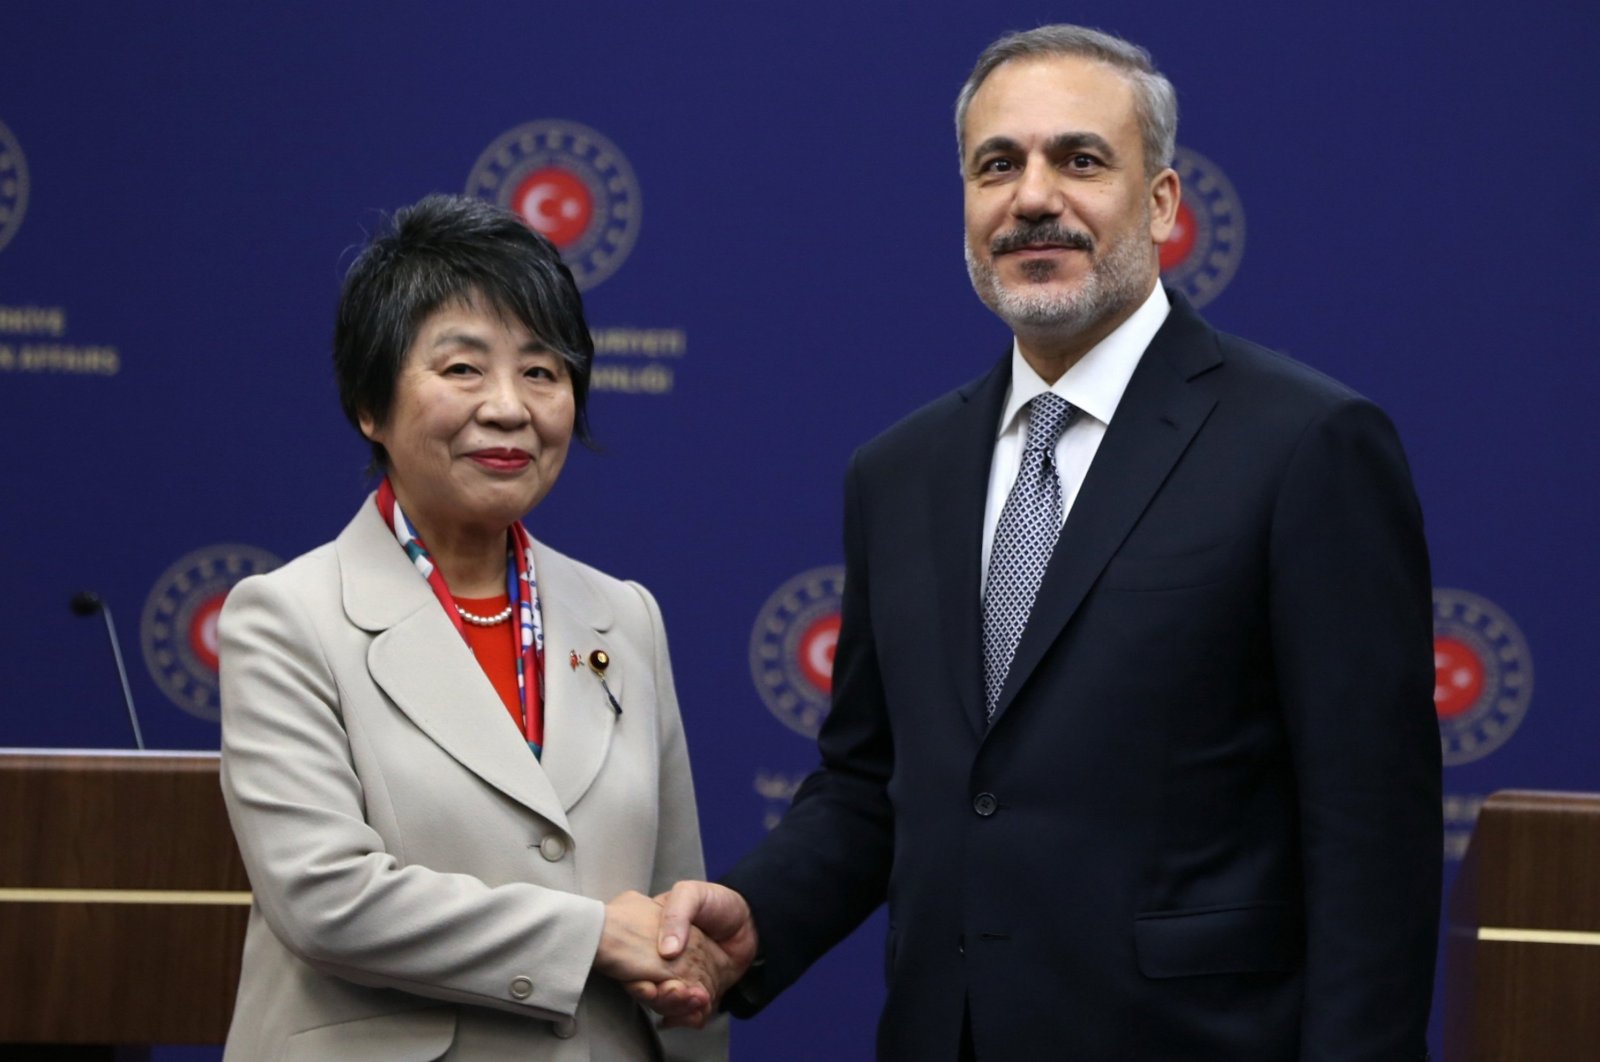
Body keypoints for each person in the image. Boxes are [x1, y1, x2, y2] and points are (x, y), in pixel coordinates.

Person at [651, 24, 1442, 1061]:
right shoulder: (898, 472)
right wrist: (758, 914)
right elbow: (870, 785)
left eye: (1078, 159)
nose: (1031, 197)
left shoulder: (1305, 446)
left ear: (1160, 203)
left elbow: (1370, 841)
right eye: (996, 166)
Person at [218, 194, 731, 1060]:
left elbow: (673, 918)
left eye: (542, 372)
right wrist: (589, 938)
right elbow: (327, 899)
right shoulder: (287, 619)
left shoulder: (625, 617)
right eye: (462, 369)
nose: (509, 407)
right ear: (369, 406)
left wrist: (688, 978)